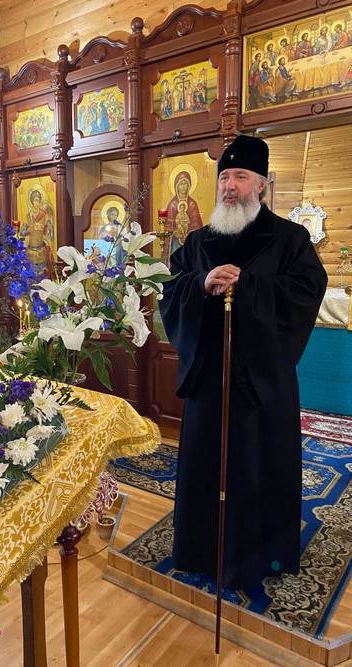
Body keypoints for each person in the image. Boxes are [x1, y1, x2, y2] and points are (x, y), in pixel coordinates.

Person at [159, 135, 327, 589]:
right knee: (205, 467)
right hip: (209, 381)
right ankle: (199, 549)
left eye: (240, 176)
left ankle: (258, 558)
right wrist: (201, 283)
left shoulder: (290, 239)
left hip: (260, 386)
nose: (229, 186)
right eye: (224, 177)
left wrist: (247, 285)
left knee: (257, 469)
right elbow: (170, 289)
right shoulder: (197, 241)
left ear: (261, 185)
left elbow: (306, 292)